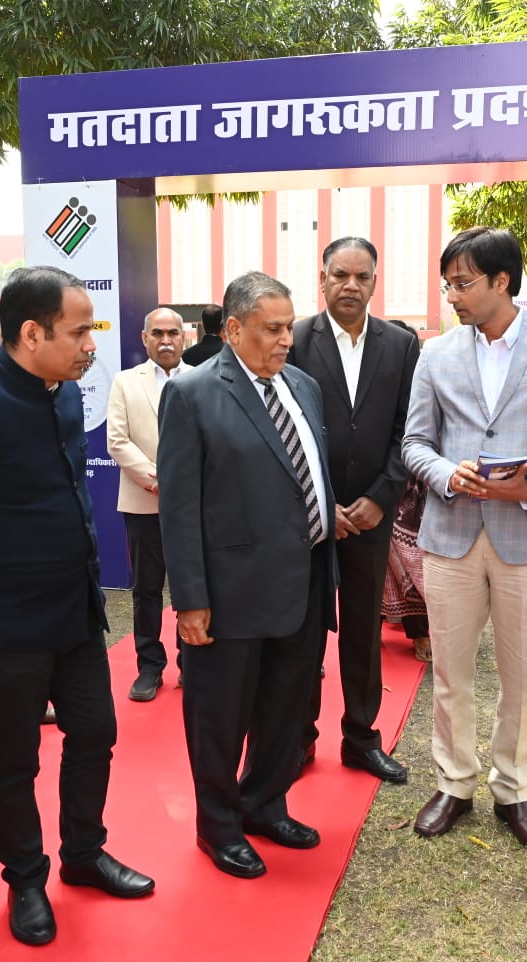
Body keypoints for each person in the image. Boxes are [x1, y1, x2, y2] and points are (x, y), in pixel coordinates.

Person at [0, 265, 154, 948]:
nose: (91, 345)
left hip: (74, 607)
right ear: (31, 333)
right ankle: (25, 880)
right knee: (13, 759)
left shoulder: (65, 391)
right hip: (6, 618)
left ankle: (83, 854)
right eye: (78, 332)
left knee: (95, 734)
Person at [402, 227, 527, 851]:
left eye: (462, 283)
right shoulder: (435, 355)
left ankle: (514, 790)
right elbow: (414, 443)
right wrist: (445, 473)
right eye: (448, 284)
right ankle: (454, 783)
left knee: (522, 674)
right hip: (451, 535)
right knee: (450, 672)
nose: (452, 296)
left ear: (501, 281)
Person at [158, 271, 337, 880]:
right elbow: (179, 505)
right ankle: (219, 825)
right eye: (273, 328)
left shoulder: (303, 386)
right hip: (230, 591)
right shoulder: (192, 393)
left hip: (304, 580)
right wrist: (190, 598)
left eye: (289, 327)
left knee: (286, 709)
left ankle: (264, 804)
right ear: (233, 329)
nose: (287, 339)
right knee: (221, 716)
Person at [288, 237, 418, 784]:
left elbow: (409, 429)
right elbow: (283, 428)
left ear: (374, 283)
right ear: (322, 279)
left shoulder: (401, 344)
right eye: (340, 275)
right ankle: (298, 739)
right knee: (302, 633)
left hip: (371, 516)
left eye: (362, 277)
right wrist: (321, 504)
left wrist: (381, 498)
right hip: (307, 519)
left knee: (364, 632)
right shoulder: (295, 339)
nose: (350, 285)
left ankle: (361, 739)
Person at [107, 306, 190, 701]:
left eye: (173, 333)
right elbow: (117, 440)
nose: (166, 340)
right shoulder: (125, 382)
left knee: (191, 586)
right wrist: (159, 480)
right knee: (147, 590)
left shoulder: (203, 378)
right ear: (145, 338)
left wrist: (182, 484)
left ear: (184, 337)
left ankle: (191, 662)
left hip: (192, 505)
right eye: (158, 333)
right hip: (143, 501)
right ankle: (149, 667)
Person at [382, 476, 432, 663]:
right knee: (376, 567)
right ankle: (369, 631)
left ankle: (419, 632)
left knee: (414, 564)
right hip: (374, 478)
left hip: (415, 485)